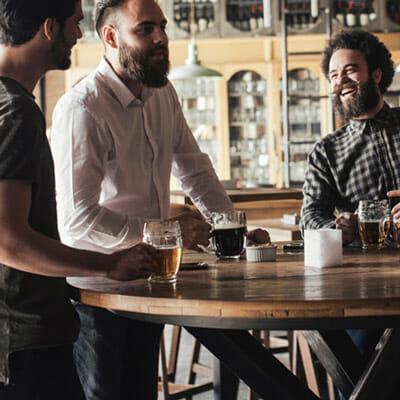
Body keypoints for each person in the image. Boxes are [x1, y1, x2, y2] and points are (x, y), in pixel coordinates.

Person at [51, 0, 270, 398]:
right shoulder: (82, 108)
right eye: (145, 29)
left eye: (163, 28)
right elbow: (77, 220)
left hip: (149, 280)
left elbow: (195, 169)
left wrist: (230, 228)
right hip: (98, 292)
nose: (161, 39)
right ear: (111, 37)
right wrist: (166, 232)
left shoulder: (163, 93)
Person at [0, 0, 160, 399]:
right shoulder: (17, 113)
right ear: (49, 27)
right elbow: (8, 240)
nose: (79, 34)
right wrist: (110, 264)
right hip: (25, 336)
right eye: (75, 23)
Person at [301, 29, 398, 399]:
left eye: (351, 71)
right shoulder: (326, 151)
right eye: (333, 75)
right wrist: (338, 227)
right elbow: (309, 217)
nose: (340, 81)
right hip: (362, 286)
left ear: (375, 74)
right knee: (361, 375)